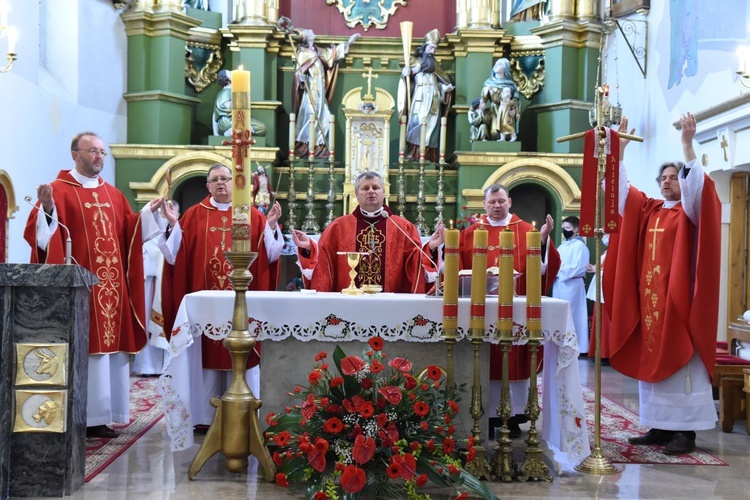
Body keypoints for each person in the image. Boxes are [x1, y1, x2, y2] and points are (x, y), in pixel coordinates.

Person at [23, 131, 169, 438]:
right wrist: (47, 208)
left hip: (112, 289)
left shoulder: (114, 195)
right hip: (81, 289)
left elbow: (129, 233)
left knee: (109, 352)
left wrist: (146, 215)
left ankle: (104, 415)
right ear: (75, 154)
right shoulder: (58, 191)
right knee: (87, 347)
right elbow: (41, 236)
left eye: (102, 152)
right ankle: (79, 415)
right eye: (92, 151)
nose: (99, 157)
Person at [604, 113, 721, 455]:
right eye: (664, 177)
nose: (669, 181)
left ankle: (686, 432)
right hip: (650, 301)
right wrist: (620, 153)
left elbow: (699, 191)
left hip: (679, 303)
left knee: (682, 366)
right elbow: (622, 195)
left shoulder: (688, 212)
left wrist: (687, 145)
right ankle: (659, 425)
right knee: (651, 364)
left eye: (674, 177)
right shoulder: (650, 210)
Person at [159, 163, 285, 428]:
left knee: (242, 352)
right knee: (206, 354)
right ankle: (205, 418)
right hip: (207, 305)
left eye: (225, 179)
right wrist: (173, 226)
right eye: (215, 180)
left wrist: (270, 228)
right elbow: (173, 256)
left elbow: (271, 255)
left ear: (235, 183)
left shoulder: (251, 215)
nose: (221, 184)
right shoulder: (193, 215)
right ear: (207, 186)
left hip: (242, 303)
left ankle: (244, 416)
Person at [459, 183, 560, 437]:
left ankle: (514, 414)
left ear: (510, 202)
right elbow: (456, 269)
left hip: (515, 312)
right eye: (491, 202)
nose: (496, 206)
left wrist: (544, 241)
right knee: (484, 359)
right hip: (478, 312)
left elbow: (544, 271)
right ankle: (484, 414)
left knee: (514, 359)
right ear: (483, 204)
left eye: (501, 201)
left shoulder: (527, 231)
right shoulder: (470, 233)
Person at [291, 171, 443, 293]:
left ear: (383, 193)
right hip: (348, 304)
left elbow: (415, 261)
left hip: (390, 304)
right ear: (356, 195)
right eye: (365, 188)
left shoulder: (403, 227)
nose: (371, 192)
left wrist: (431, 247)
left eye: (375, 188)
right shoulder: (338, 226)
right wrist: (309, 248)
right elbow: (324, 258)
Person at [292, 29, 360, 158]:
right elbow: (298, 73)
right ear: (306, 37)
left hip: (320, 90)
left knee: (324, 116)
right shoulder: (302, 53)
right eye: (309, 31)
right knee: (311, 115)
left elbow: (331, 54)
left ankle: (318, 145)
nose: (312, 31)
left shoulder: (317, 51)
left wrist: (349, 42)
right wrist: (301, 79)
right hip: (310, 90)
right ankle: (304, 145)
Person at [133, 200, 181, 377]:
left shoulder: (177, 233)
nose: (164, 215)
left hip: (168, 285)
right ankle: (147, 366)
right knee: (147, 323)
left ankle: (169, 366)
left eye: (169, 211)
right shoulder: (148, 235)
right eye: (161, 212)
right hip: (148, 284)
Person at [399, 29, 455, 162]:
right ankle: (413, 153)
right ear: (424, 48)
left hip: (434, 98)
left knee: (431, 126)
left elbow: (442, 81)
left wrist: (445, 89)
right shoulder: (415, 61)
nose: (433, 51)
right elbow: (406, 79)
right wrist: (408, 72)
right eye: (431, 48)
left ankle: (428, 155)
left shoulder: (434, 64)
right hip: (419, 98)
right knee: (416, 123)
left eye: (435, 49)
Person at [552, 216, 590, 354]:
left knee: (573, 315)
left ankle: (576, 346)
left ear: (576, 229)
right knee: (560, 314)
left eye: (568, 228)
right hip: (559, 284)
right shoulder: (562, 245)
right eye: (564, 228)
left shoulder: (580, 246)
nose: (565, 231)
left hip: (572, 285)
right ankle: (561, 343)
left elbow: (577, 267)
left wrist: (558, 271)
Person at [212, 69, 266, 138]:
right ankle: (235, 131)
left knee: (261, 128)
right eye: (231, 74)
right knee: (261, 128)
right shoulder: (226, 92)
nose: (233, 75)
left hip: (237, 120)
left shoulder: (230, 91)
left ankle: (238, 131)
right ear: (226, 79)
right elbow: (220, 111)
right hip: (229, 122)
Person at [586, 233, 611, 362]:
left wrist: (598, 268)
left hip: (608, 290)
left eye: (607, 234)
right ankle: (597, 351)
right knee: (598, 320)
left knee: (606, 322)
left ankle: (606, 353)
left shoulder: (615, 251)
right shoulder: (607, 251)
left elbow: (613, 267)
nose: (605, 237)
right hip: (599, 289)